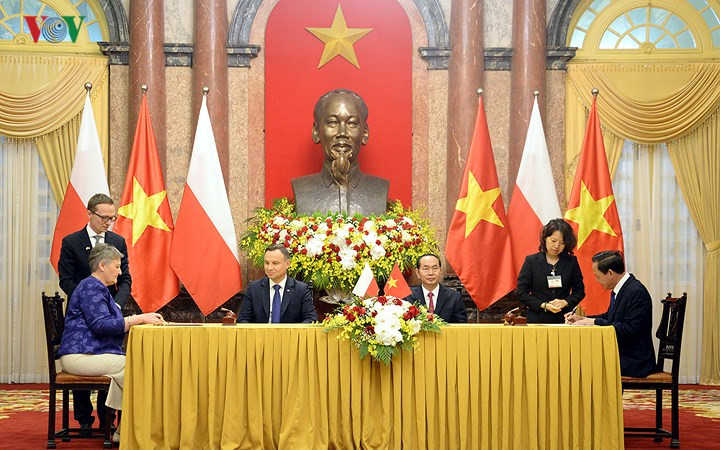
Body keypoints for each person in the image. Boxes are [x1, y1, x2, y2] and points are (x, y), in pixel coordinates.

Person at [58, 244, 164, 442]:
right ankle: (129, 430)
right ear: (102, 266)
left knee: (127, 369)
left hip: (89, 353)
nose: (120, 271)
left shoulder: (97, 288)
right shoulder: (91, 287)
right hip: (79, 356)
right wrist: (138, 319)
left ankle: (122, 430)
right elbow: (101, 326)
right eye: (117, 266)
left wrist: (136, 319)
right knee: (135, 367)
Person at [57, 193, 132, 431]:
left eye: (113, 217)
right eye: (104, 217)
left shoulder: (118, 242)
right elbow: (66, 279)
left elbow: (126, 279)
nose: (108, 222)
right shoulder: (71, 241)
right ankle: (85, 421)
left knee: (109, 358)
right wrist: (90, 299)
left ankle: (108, 421)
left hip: (109, 311)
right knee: (100, 360)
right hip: (83, 321)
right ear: (89, 213)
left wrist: (114, 304)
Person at [291, 89, 389, 216]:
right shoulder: (301, 189)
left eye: (352, 123)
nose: (342, 133)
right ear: (316, 132)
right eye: (332, 123)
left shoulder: (380, 189)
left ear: (364, 133)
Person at [565, 250, 657, 378]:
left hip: (635, 359)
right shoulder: (623, 288)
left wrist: (595, 322)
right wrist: (584, 319)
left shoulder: (635, 292)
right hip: (623, 353)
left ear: (610, 273)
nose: (597, 281)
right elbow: (610, 317)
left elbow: (630, 329)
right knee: (582, 357)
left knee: (584, 362)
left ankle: (595, 398)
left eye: (597, 276)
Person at [516, 218, 585, 324]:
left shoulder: (571, 262)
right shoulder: (531, 261)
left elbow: (579, 292)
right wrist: (543, 305)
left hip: (564, 319)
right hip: (537, 319)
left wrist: (565, 302)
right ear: (545, 238)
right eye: (553, 241)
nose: (557, 246)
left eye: (562, 243)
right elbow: (521, 292)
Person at [238, 244, 317, 323]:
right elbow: (243, 319)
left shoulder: (300, 289)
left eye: (275, 263)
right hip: (261, 335)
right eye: (267, 263)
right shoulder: (254, 288)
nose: (269, 268)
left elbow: (311, 319)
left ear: (287, 264)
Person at [404, 254, 467, 323]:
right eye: (426, 269)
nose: (431, 273)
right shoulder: (408, 296)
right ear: (418, 273)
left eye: (435, 268)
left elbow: (461, 326)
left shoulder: (454, 297)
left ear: (440, 271)